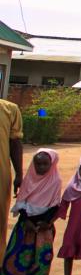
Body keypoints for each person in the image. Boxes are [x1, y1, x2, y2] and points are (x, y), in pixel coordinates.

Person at [1, 148, 61, 275]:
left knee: (42, 257)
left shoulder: (55, 181)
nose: (41, 167)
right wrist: (26, 220)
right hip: (25, 225)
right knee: (18, 254)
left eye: (45, 164)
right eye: (38, 164)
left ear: (52, 164)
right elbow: (21, 202)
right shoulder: (28, 179)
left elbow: (55, 205)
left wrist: (46, 222)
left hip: (43, 227)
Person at [0, 96, 23, 244]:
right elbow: (15, 143)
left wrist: (19, 174)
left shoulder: (9, 109)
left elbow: (15, 143)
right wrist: (19, 174)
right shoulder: (9, 109)